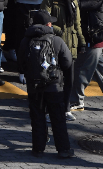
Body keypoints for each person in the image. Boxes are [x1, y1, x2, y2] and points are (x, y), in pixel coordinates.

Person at [17, 9, 75, 159]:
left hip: (34, 86)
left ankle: (38, 149)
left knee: (37, 117)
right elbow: (68, 62)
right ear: (48, 24)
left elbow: (21, 64)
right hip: (54, 86)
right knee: (58, 118)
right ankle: (63, 149)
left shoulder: (25, 40)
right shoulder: (56, 40)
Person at [40, 0, 83, 121]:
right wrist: (59, 31)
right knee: (53, 79)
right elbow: (46, 20)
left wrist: (81, 41)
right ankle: (47, 110)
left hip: (71, 45)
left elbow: (77, 23)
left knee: (69, 80)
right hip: (55, 45)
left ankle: (66, 108)